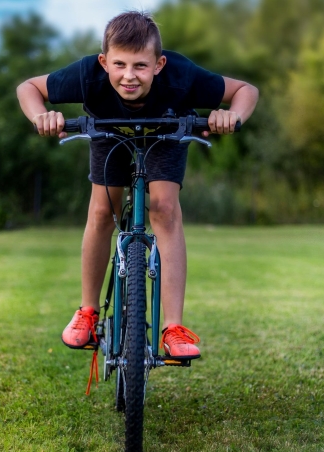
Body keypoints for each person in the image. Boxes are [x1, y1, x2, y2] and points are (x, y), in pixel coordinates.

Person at [17, 11, 258, 359]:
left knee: (164, 210)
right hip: (107, 132)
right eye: (119, 64)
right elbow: (28, 88)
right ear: (104, 62)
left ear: (159, 65)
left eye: (141, 66)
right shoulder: (88, 74)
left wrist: (231, 115)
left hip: (167, 133)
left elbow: (246, 91)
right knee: (103, 211)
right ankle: (88, 311)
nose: (129, 76)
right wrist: (41, 115)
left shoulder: (181, 76)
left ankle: (173, 327)